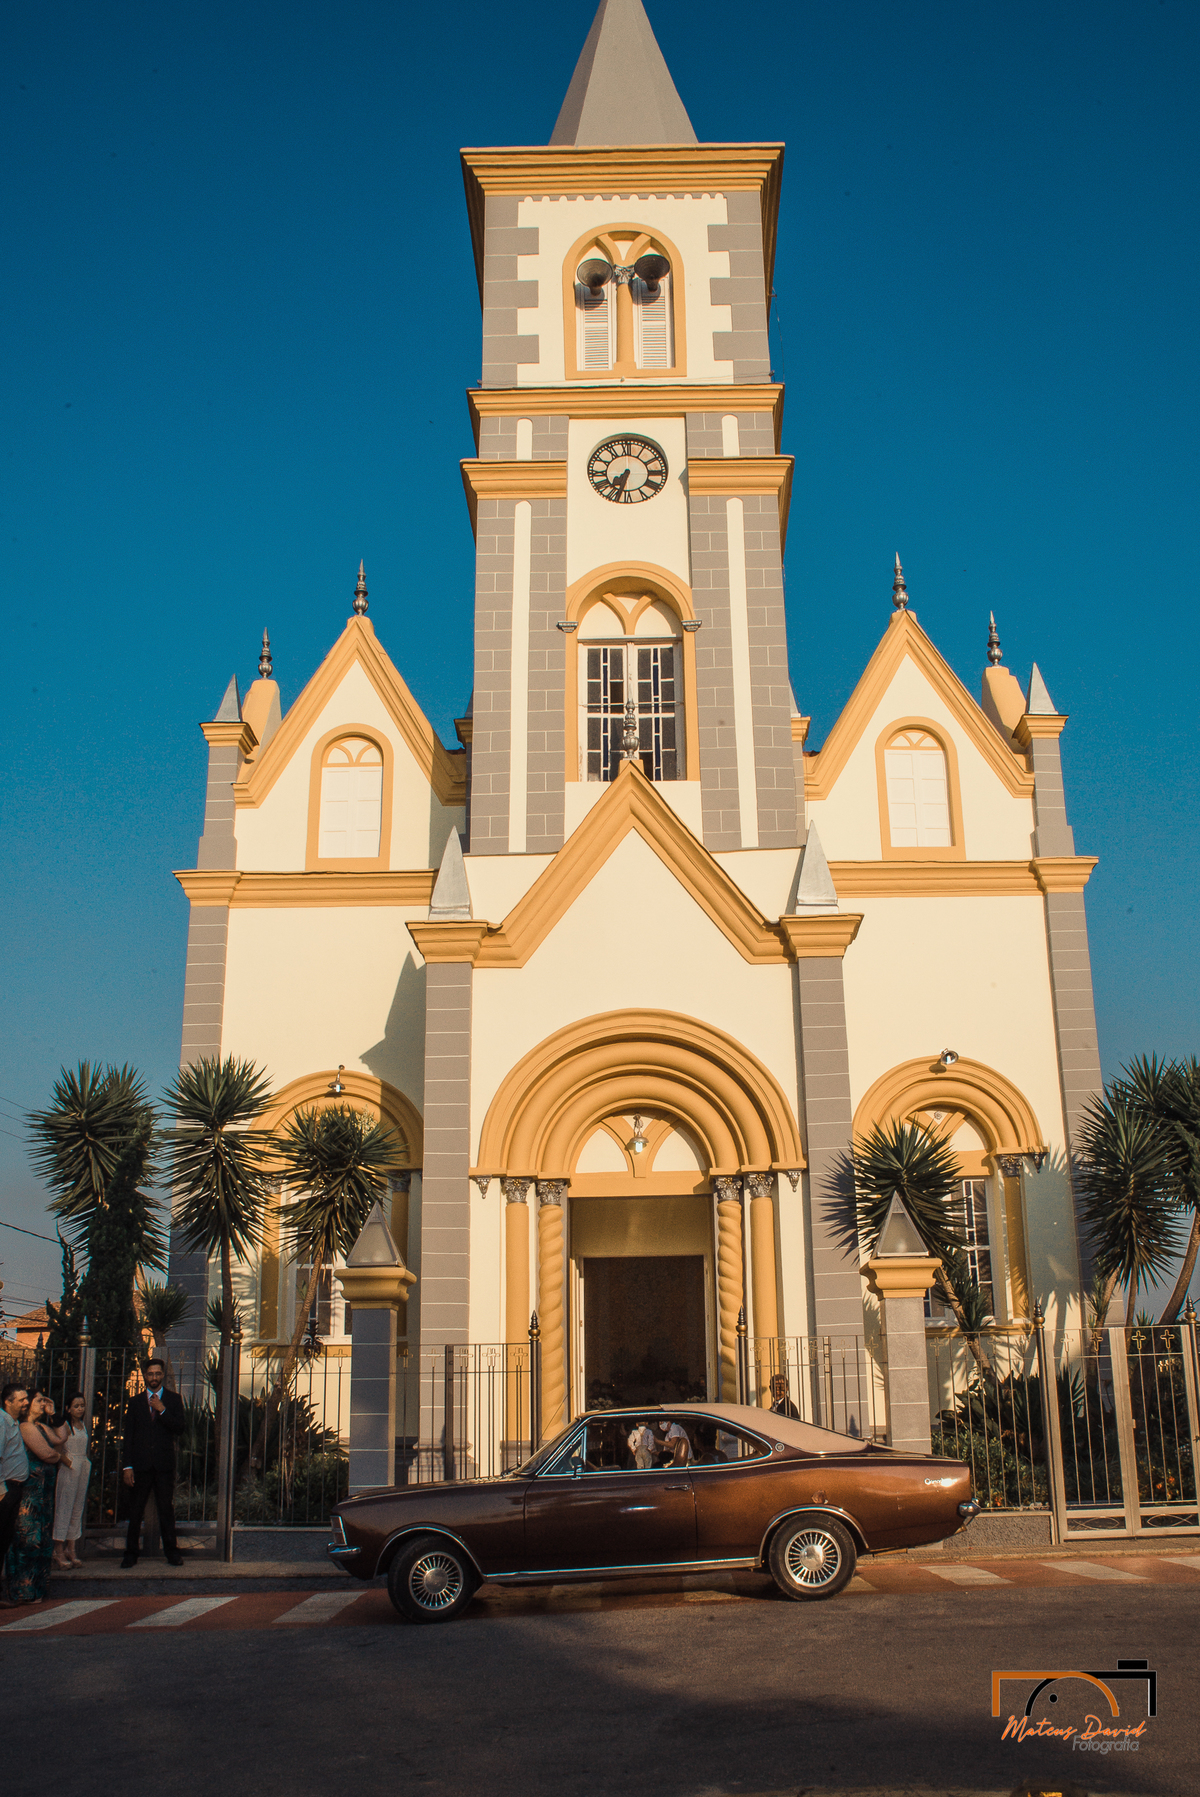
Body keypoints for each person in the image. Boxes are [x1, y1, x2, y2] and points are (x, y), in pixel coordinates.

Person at [6, 1390, 70, 1604]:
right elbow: (46, 1453)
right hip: (30, 1493)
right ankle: (24, 1590)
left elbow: (62, 1437)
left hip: (44, 1492)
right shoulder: (25, 1427)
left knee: (43, 1538)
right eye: (38, 1400)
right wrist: (61, 1457)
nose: (42, 1404)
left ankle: (38, 1589)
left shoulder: (42, 1426)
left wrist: (54, 1415)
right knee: (29, 1539)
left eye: (44, 1400)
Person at [121, 1357, 186, 1568]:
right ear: (145, 1375)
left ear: (163, 1375)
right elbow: (129, 1436)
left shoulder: (174, 1400)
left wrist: (162, 1409)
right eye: (150, 1374)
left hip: (163, 1465)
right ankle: (131, 1553)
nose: (154, 1378)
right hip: (140, 1466)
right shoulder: (135, 1402)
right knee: (135, 1511)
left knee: (166, 1510)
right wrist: (127, 1466)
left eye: (158, 1374)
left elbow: (179, 1428)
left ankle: (172, 1552)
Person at [52, 1393, 91, 1570]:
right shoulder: (65, 1426)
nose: (80, 1409)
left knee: (77, 1507)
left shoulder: (82, 1425)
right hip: (70, 1467)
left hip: (82, 1466)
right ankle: (58, 1549)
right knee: (64, 1507)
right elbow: (57, 1450)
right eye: (76, 1406)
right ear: (68, 1408)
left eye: (82, 1405)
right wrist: (68, 1462)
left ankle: (71, 1548)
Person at [0, 1383, 31, 1607]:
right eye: (21, 1400)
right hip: (6, 1490)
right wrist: (1, 1491)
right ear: (7, 1402)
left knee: (3, 1541)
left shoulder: (13, 1423)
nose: (26, 1403)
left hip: (13, 1488)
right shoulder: (2, 1422)